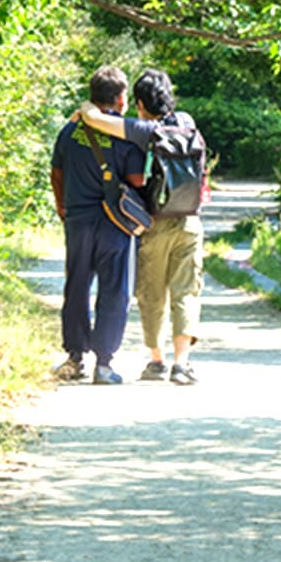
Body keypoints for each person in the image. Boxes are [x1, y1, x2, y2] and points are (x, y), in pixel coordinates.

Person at [77, 67, 206, 385]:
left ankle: (157, 361)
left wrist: (82, 108)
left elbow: (95, 119)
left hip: (154, 223)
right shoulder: (187, 123)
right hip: (190, 219)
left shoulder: (143, 128)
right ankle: (182, 364)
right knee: (186, 292)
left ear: (138, 102)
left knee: (151, 294)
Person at [49, 64, 147, 385]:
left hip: (77, 219)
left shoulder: (70, 131)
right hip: (114, 224)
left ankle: (74, 357)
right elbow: (135, 179)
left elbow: (57, 173)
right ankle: (104, 365)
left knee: (76, 285)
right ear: (120, 99)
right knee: (114, 290)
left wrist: (63, 206)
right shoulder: (125, 134)